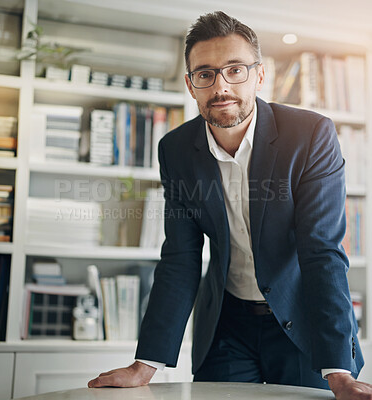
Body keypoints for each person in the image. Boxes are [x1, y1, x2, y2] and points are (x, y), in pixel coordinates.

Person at [89, 11, 372, 399]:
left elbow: (321, 251)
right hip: (227, 323)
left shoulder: (310, 136)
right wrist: (145, 365)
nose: (220, 86)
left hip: (305, 323)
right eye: (205, 74)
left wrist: (338, 370)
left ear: (259, 75)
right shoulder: (175, 149)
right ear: (191, 86)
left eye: (235, 70)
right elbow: (180, 257)